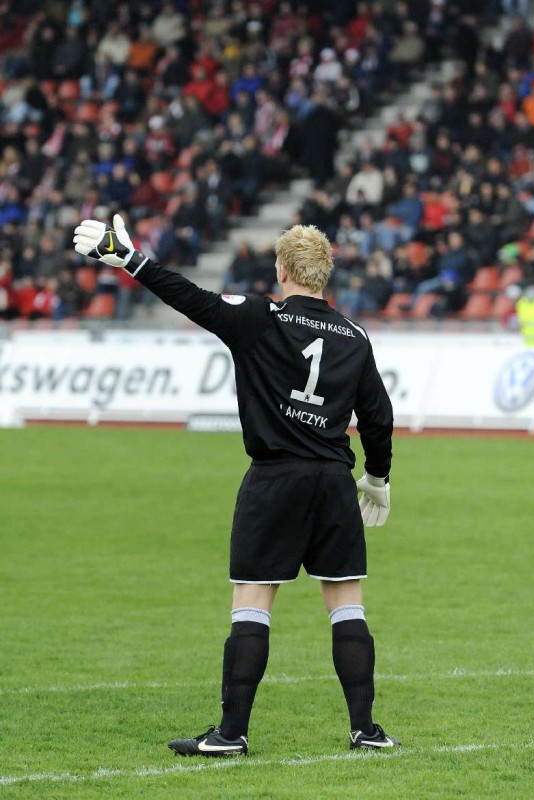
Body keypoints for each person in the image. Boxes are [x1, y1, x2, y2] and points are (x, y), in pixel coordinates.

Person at [73, 214, 399, 756]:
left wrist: (130, 258)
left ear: (283, 269)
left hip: (275, 477)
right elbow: (379, 418)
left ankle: (231, 733)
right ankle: (365, 728)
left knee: (253, 601)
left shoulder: (261, 317)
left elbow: (194, 300)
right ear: (324, 275)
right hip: (333, 482)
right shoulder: (355, 336)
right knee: (347, 603)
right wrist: (378, 477)